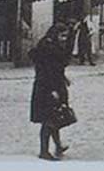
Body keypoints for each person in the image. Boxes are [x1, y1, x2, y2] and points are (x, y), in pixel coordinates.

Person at [29, 23, 72, 161]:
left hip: (53, 85)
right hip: (47, 87)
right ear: (54, 34)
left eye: (66, 36)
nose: (64, 39)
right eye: (62, 35)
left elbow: (56, 69)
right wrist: (53, 90)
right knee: (49, 119)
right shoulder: (48, 49)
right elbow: (47, 71)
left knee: (56, 117)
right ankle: (44, 151)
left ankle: (58, 146)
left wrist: (64, 78)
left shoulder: (52, 47)